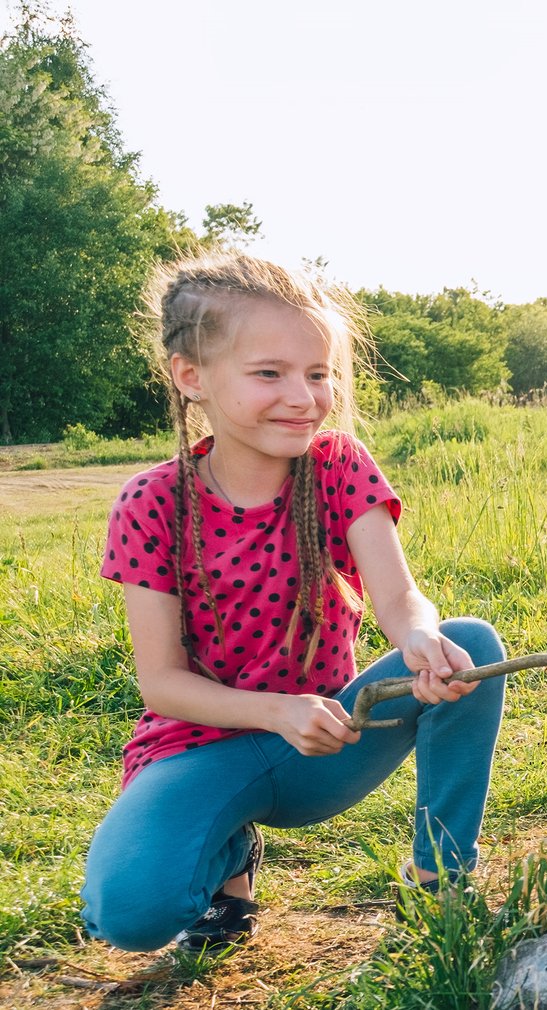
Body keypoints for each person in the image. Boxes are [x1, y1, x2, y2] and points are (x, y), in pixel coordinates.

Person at [79, 253, 507, 953]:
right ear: (192, 378)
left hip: (328, 741)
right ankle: (226, 861)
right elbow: (161, 682)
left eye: (318, 374)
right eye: (269, 373)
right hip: (199, 749)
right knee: (129, 916)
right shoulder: (151, 502)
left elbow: (399, 596)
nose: (304, 396)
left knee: (472, 648)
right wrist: (276, 712)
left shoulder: (340, 465)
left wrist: (420, 636)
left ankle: (441, 878)